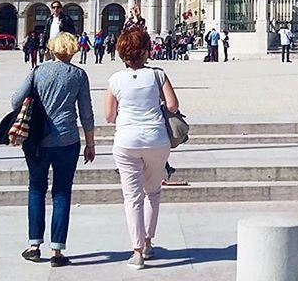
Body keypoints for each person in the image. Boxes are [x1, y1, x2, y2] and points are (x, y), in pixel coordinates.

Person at [12, 32, 95, 267]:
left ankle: (34, 245)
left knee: (36, 188)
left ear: (51, 48)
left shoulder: (38, 71)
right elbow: (86, 114)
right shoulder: (79, 75)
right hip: (68, 140)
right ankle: (57, 251)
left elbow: (14, 100)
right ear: (73, 51)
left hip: (38, 140)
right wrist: (90, 143)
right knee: (62, 192)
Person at [105, 26, 180, 270]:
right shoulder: (158, 75)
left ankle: (136, 252)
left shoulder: (115, 80)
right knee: (153, 193)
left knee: (132, 198)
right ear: (146, 51)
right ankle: (148, 243)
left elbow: (108, 116)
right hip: (157, 141)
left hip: (126, 142)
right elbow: (172, 106)